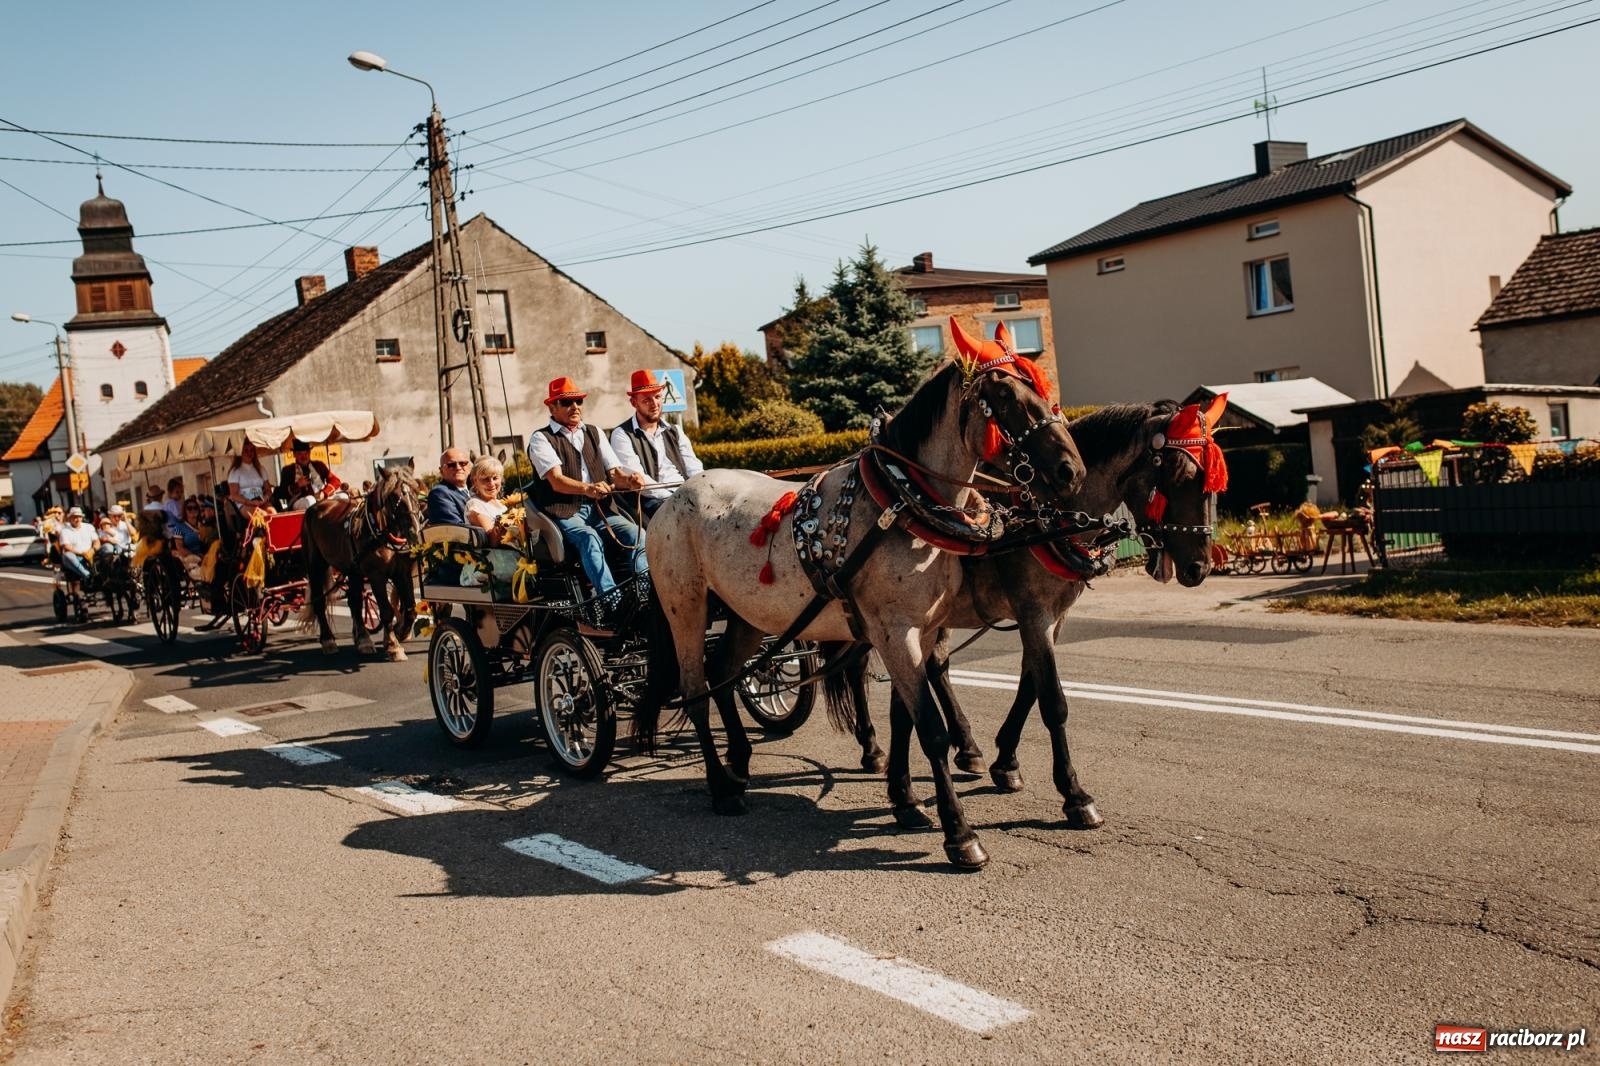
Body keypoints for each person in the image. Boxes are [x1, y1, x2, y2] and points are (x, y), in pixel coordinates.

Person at [527, 376, 647, 615]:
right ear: (552, 407)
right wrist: (588, 489)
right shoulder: (541, 438)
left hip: (601, 509)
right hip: (564, 511)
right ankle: (612, 603)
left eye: (579, 400)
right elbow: (557, 481)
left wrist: (630, 480)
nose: (575, 407)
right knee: (589, 538)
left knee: (637, 533)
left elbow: (614, 473)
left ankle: (644, 594)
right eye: (566, 402)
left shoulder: (594, 432)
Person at [610, 368, 703, 524]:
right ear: (634, 403)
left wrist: (703, 489)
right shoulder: (622, 434)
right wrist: (676, 498)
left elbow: (694, 470)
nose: (654, 404)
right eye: (646, 400)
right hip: (651, 501)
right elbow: (640, 480)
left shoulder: (675, 431)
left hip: (686, 495)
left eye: (658, 397)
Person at [274, 439, 344, 511]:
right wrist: (297, 485)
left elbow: (336, 481)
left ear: (309, 453)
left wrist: (324, 493)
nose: (304, 457)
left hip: (322, 499)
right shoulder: (288, 470)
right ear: (294, 454)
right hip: (300, 502)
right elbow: (280, 493)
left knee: (343, 497)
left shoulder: (319, 465)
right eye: (300, 454)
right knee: (310, 500)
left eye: (306, 453)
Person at [465, 457, 509, 545]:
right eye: (485, 479)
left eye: (495, 478)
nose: (491, 484)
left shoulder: (502, 504)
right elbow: (493, 541)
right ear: (475, 481)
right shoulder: (474, 505)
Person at [426, 448, 473, 527]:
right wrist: (490, 532)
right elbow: (457, 529)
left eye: (462, 463)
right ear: (441, 471)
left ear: (469, 467)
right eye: (451, 465)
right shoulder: (439, 493)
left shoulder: (476, 490)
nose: (458, 468)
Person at [226, 440, 273, 518]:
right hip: (244, 504)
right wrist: (249, 502)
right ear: (240, 453)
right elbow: (234, 495)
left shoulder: (261, 469)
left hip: (260, 502)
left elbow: (268, 490)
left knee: (272, 513)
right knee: (261, 515)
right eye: (246, 450)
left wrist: (264, 499)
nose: (249, 453)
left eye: (251, 450)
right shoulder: (235, 471)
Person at [56, 506, 98, 586]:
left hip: (89, 555)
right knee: (68, 555)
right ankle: (88, 575)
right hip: (74, 557)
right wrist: (81, 553)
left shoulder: (89, 527)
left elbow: (97, 541)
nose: (77, 519)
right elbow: (66, 547)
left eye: (79, 517)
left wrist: (92, 550)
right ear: (70, 518)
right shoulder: (65, 531)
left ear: (82, 517)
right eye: (75, 517)